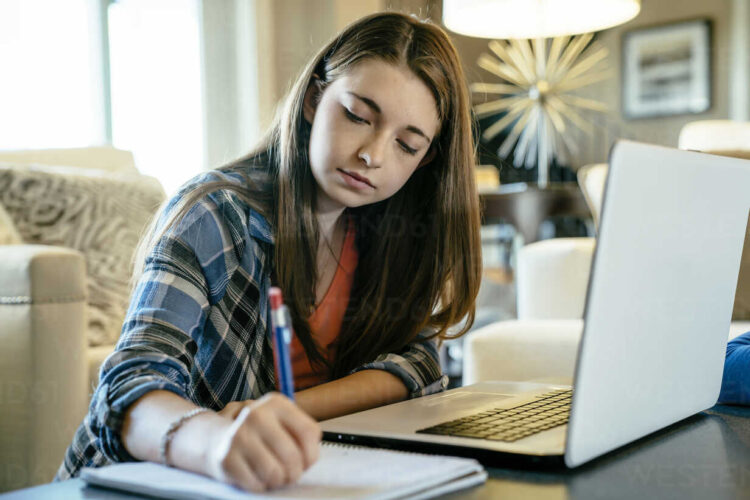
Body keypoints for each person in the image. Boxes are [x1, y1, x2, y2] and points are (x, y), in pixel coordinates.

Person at [55, 11, 482, 493]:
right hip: (130, 485)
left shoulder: (389, 234)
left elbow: (418, 363)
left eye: (407, 145)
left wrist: (291, 413)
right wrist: (215, 440)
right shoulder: (216, 214)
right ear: (314, 99)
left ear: (426, 161)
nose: (374, 155)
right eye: (358, 116)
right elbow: (131, 381)